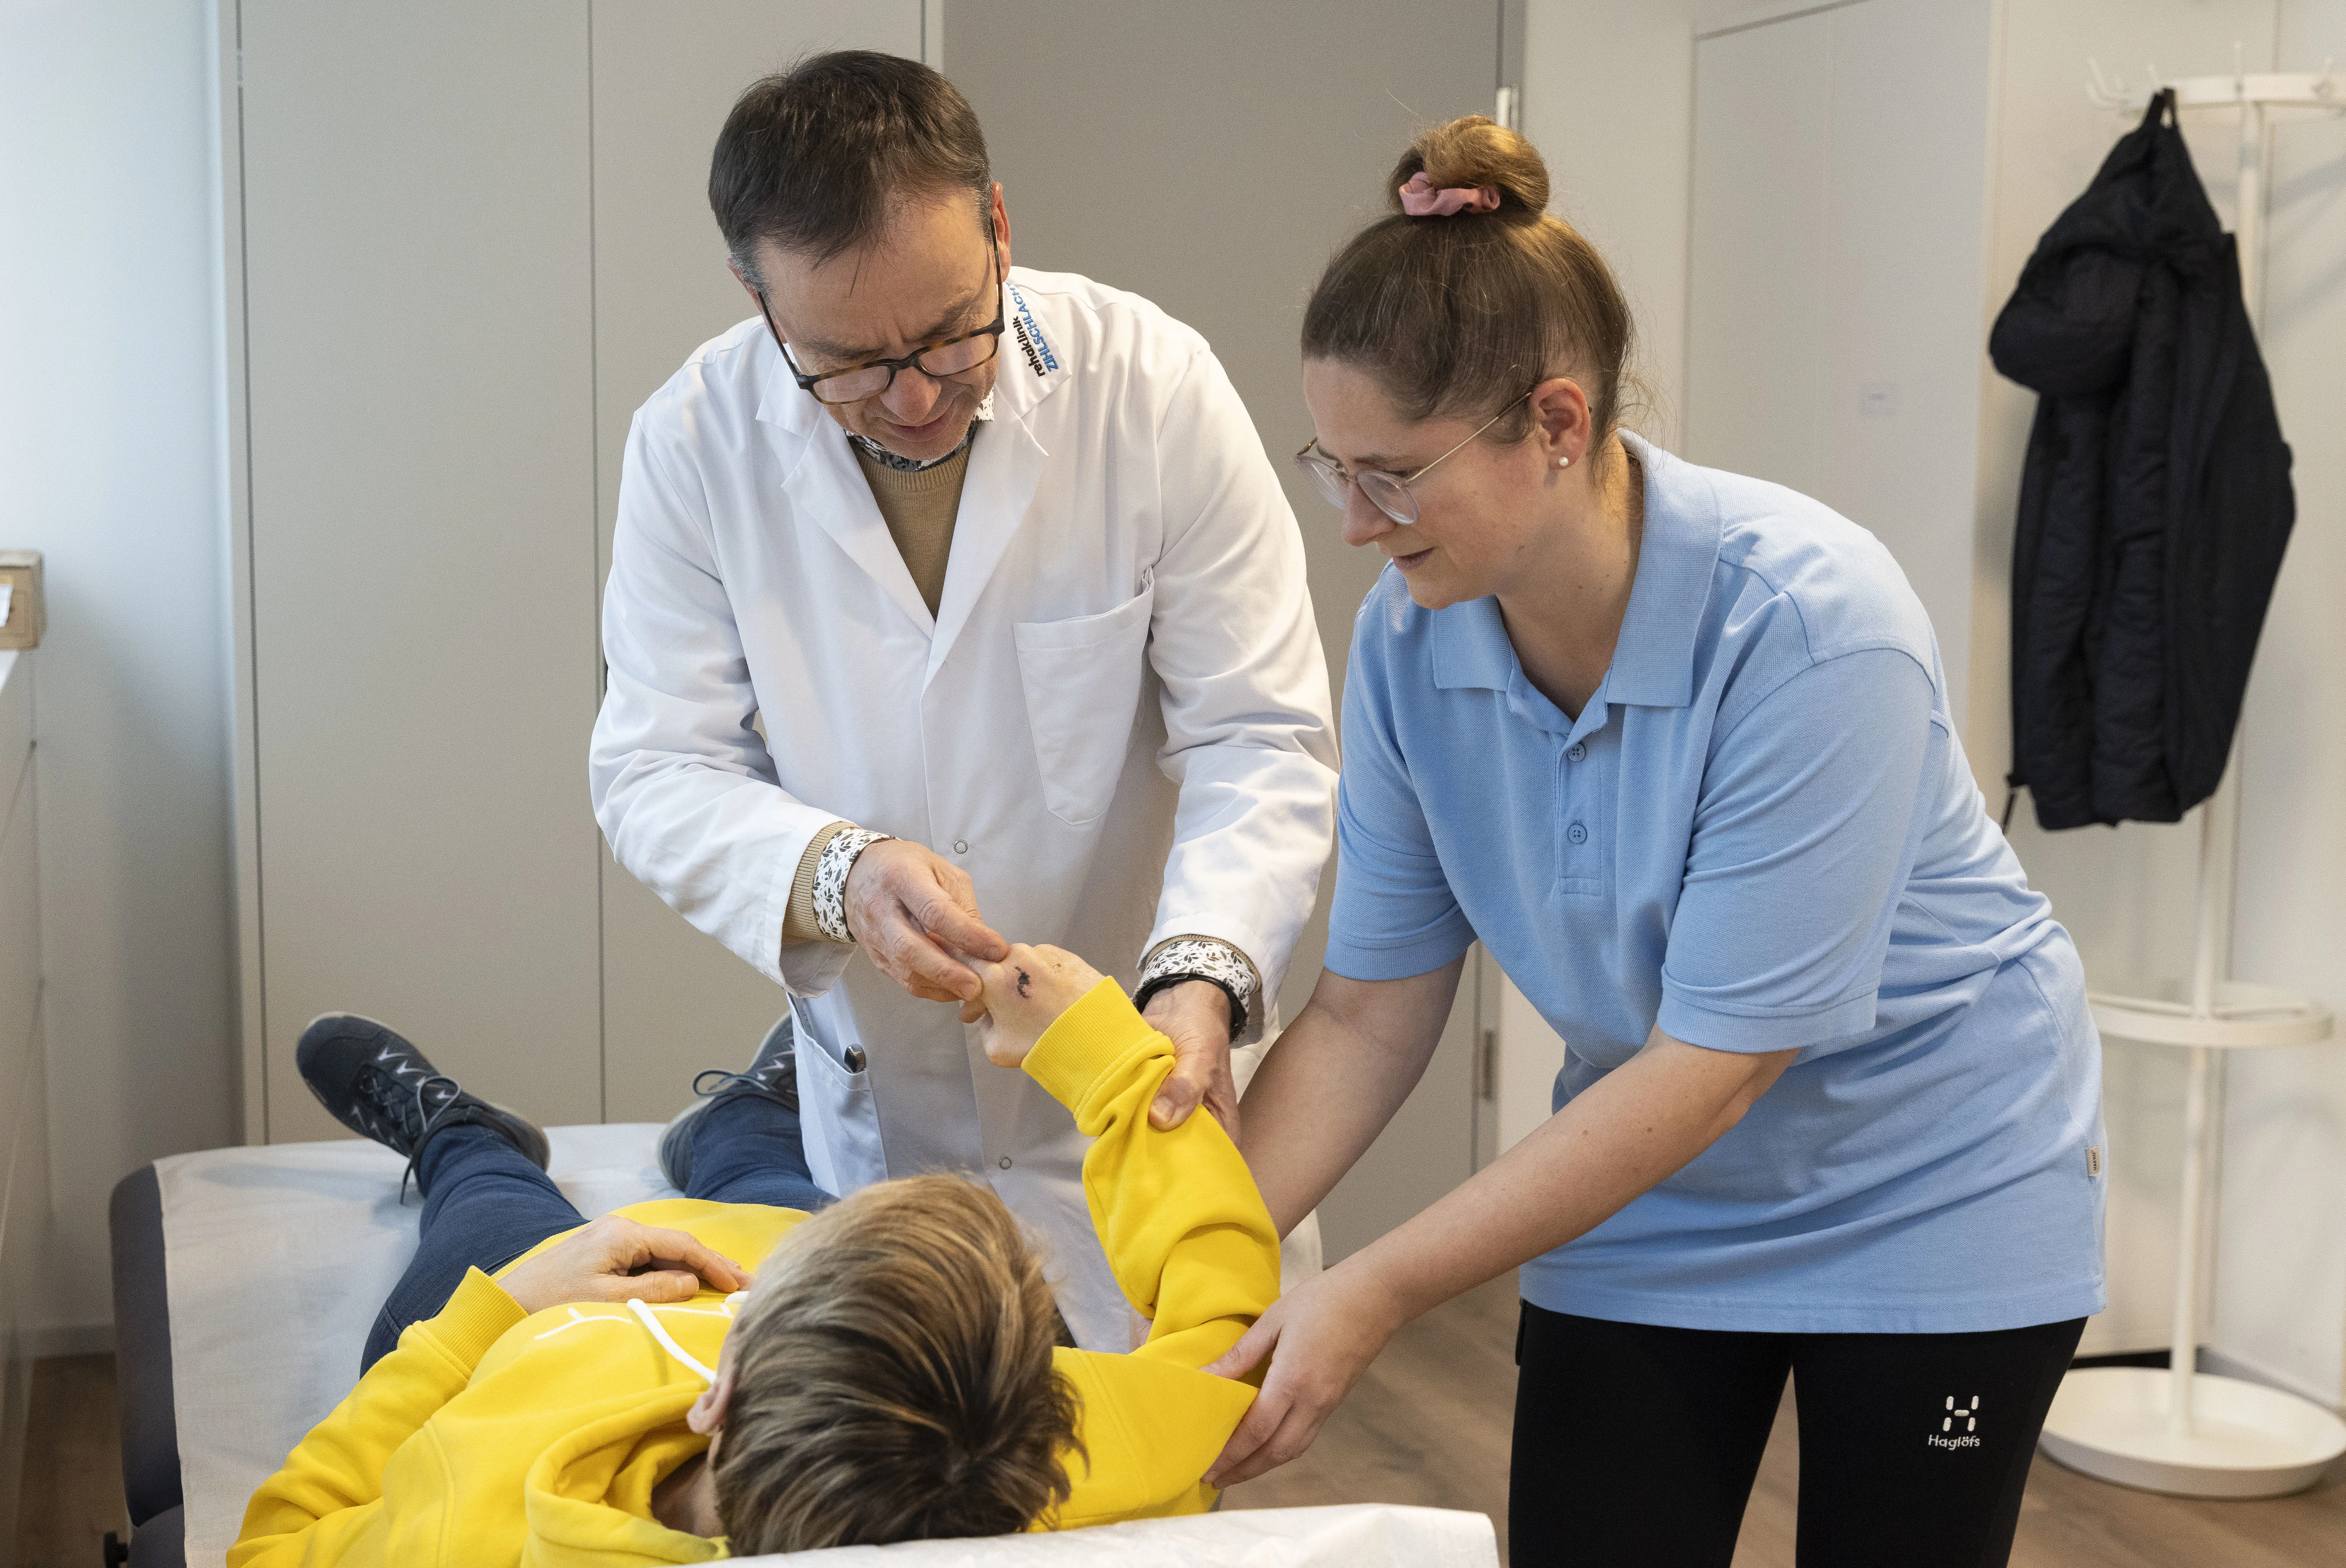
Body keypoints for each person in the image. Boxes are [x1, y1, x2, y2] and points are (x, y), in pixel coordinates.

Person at [1204, 119, 2106, 1567]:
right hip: (1657, 1180)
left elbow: (1715, 1067)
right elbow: (1370, 1012)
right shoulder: (1411, 640)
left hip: (1938, 1177)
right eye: (1335, 468)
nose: (1356, 524)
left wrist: (1370, 1288)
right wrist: (1178, 1261)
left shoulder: (1812, 627)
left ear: (1557, 424)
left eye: (1396, 475)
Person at [588, 51, 1336, 1352]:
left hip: (1146, 1088)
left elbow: (1260, 734)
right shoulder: (695, 443)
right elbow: (655, 767)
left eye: (948, 334)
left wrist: (1201, 978)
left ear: (998, 225)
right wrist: (840, 874)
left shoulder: (1148, 389)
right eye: (852, 365)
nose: (919, 395)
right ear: (756, 296)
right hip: (890, 1121)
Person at [231, 943, 1278, 1564]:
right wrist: (1094, 1049)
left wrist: (496, 1311)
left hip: (556, 1320)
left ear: (716, 1394)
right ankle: (749, 1118)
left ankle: (458, 1134)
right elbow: (1228, 1329)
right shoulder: (1051, 1479)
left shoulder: (473, 1515)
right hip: (772, 1267)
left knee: (491, 1212)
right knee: (777, 1184)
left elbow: (273, 1547)